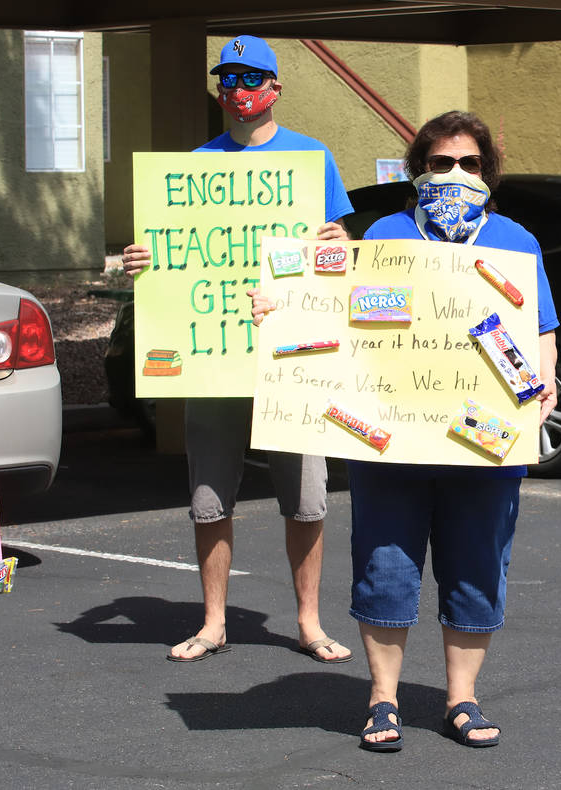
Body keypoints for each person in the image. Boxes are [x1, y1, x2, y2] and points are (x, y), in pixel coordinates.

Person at [256, 110, 558, 750]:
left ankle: (462, 701)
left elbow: (540, 331)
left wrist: (545, 381)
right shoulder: (385, 235)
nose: (454, 174)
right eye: (441, 162)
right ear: (418, 168)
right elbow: (327, 306)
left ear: (487, 172)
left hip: (485, 445)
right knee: (385, 567)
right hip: (390, 441)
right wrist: (277, 303)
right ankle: (383, 701)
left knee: (477, 568)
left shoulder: (514, 241)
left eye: (468, 164)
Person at [121, 35, 355, 664]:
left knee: (306, 497)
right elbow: (168, 256)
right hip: (212, 356)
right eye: (227, 78)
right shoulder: (196, 164)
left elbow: (337, 259)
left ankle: (309, 622)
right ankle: (213, 622)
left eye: (252, 78)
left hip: (291, 360)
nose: (238, 89)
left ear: (276, 88)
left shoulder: (313, 159)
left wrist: (337, 242)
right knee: (208, 497)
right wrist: (138, 260)